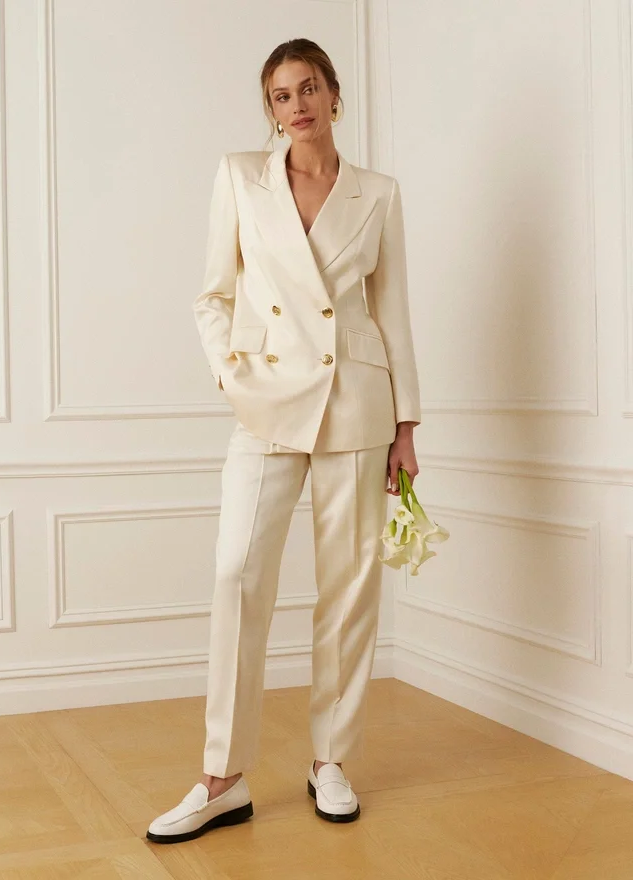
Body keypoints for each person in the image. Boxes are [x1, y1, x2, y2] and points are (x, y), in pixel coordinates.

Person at [147, 37, 421, 845]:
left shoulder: (378, 192)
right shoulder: (242, 177)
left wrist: (406, 425)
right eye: (280, 95)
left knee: (349, 587)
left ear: (335, 94)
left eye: (308, 88)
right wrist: (232, 377)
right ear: (269, 110)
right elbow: (211, 295)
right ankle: (222, 776)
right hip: (267, 399)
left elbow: (393, 311)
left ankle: (330, 759)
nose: (296, 105)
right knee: (237, 573)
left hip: (357, 400)